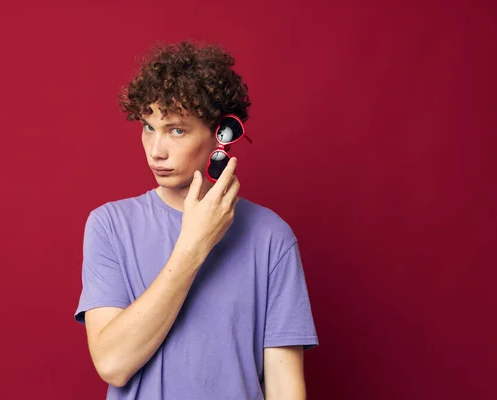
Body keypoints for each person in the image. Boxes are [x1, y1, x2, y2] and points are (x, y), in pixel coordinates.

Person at [74, 40, 318, 400]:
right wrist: (194, 244)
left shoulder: (272, 238)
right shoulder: (110, 225)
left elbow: (284, 387)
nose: (156, 150)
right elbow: (113, 363)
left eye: (176, 130)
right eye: (147, 127)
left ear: (222, 134)